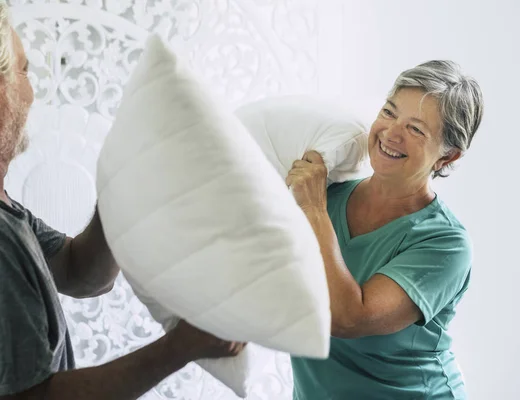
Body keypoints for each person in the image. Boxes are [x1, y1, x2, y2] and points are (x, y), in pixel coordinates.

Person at [0, 5, 245, 400]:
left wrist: (128, 174)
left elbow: (81, 273)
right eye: (24, 72)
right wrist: (182, 346)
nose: (32, 91)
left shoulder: (9, 213)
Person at [286, 60, 483, 399]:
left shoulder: (446, 244)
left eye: (416, 129)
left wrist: (314, 209)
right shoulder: (328, 194)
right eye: (390, 113)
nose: (392, 133)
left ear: (447, 157)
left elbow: (348, 319)